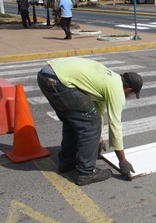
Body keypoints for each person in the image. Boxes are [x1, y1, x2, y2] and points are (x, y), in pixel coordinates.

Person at [37, 57, 143, 186]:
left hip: (46, 75)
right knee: (89, 125)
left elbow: (98, 110)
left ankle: (67, 162)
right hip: (59, 80)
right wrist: (122, 161)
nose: (130, 97)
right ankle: (86, 173)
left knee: (73, 121)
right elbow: (115, 126)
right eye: (132, 94)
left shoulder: (111, 80)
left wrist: (98, 137)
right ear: (128, 89)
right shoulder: (117, 91)